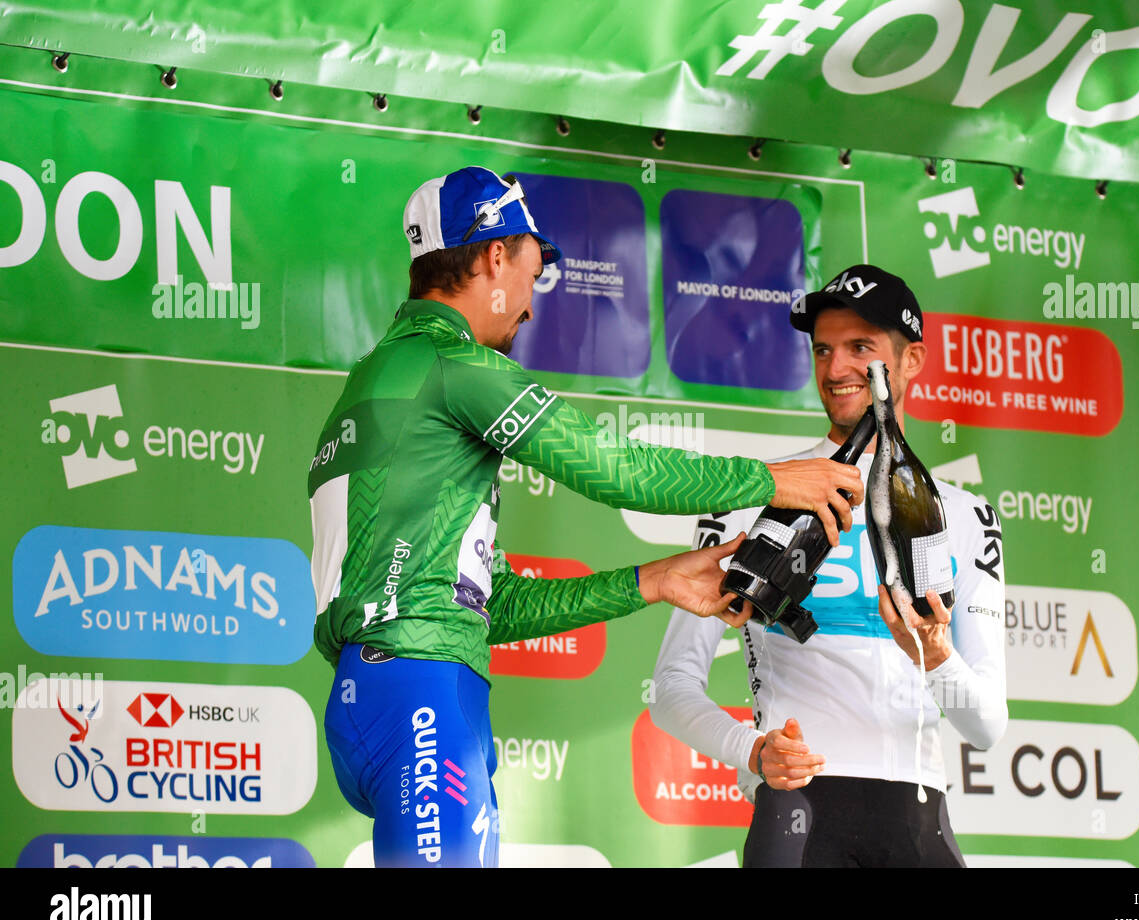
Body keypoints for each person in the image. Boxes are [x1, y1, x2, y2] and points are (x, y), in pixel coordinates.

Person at [306, 166, 864, 867]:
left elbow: (490, 605)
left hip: (370, 698)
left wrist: (654, 579)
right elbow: (617, 469)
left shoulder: (376, 379)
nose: (533, 308)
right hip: (424, 695)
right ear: (494, 256)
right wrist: (774, 477)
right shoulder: (454, 366)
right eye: (535, 273)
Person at [650, 263, 1008, 867]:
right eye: (823, 349)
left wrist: (938, 655)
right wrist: (754, 750)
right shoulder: (752, 497)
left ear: (911, 359)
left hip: (921, 825)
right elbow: (670, 688)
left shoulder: (967, 517)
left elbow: (987, 727)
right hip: (798, 819)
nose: (836, 369)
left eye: (859, 348)